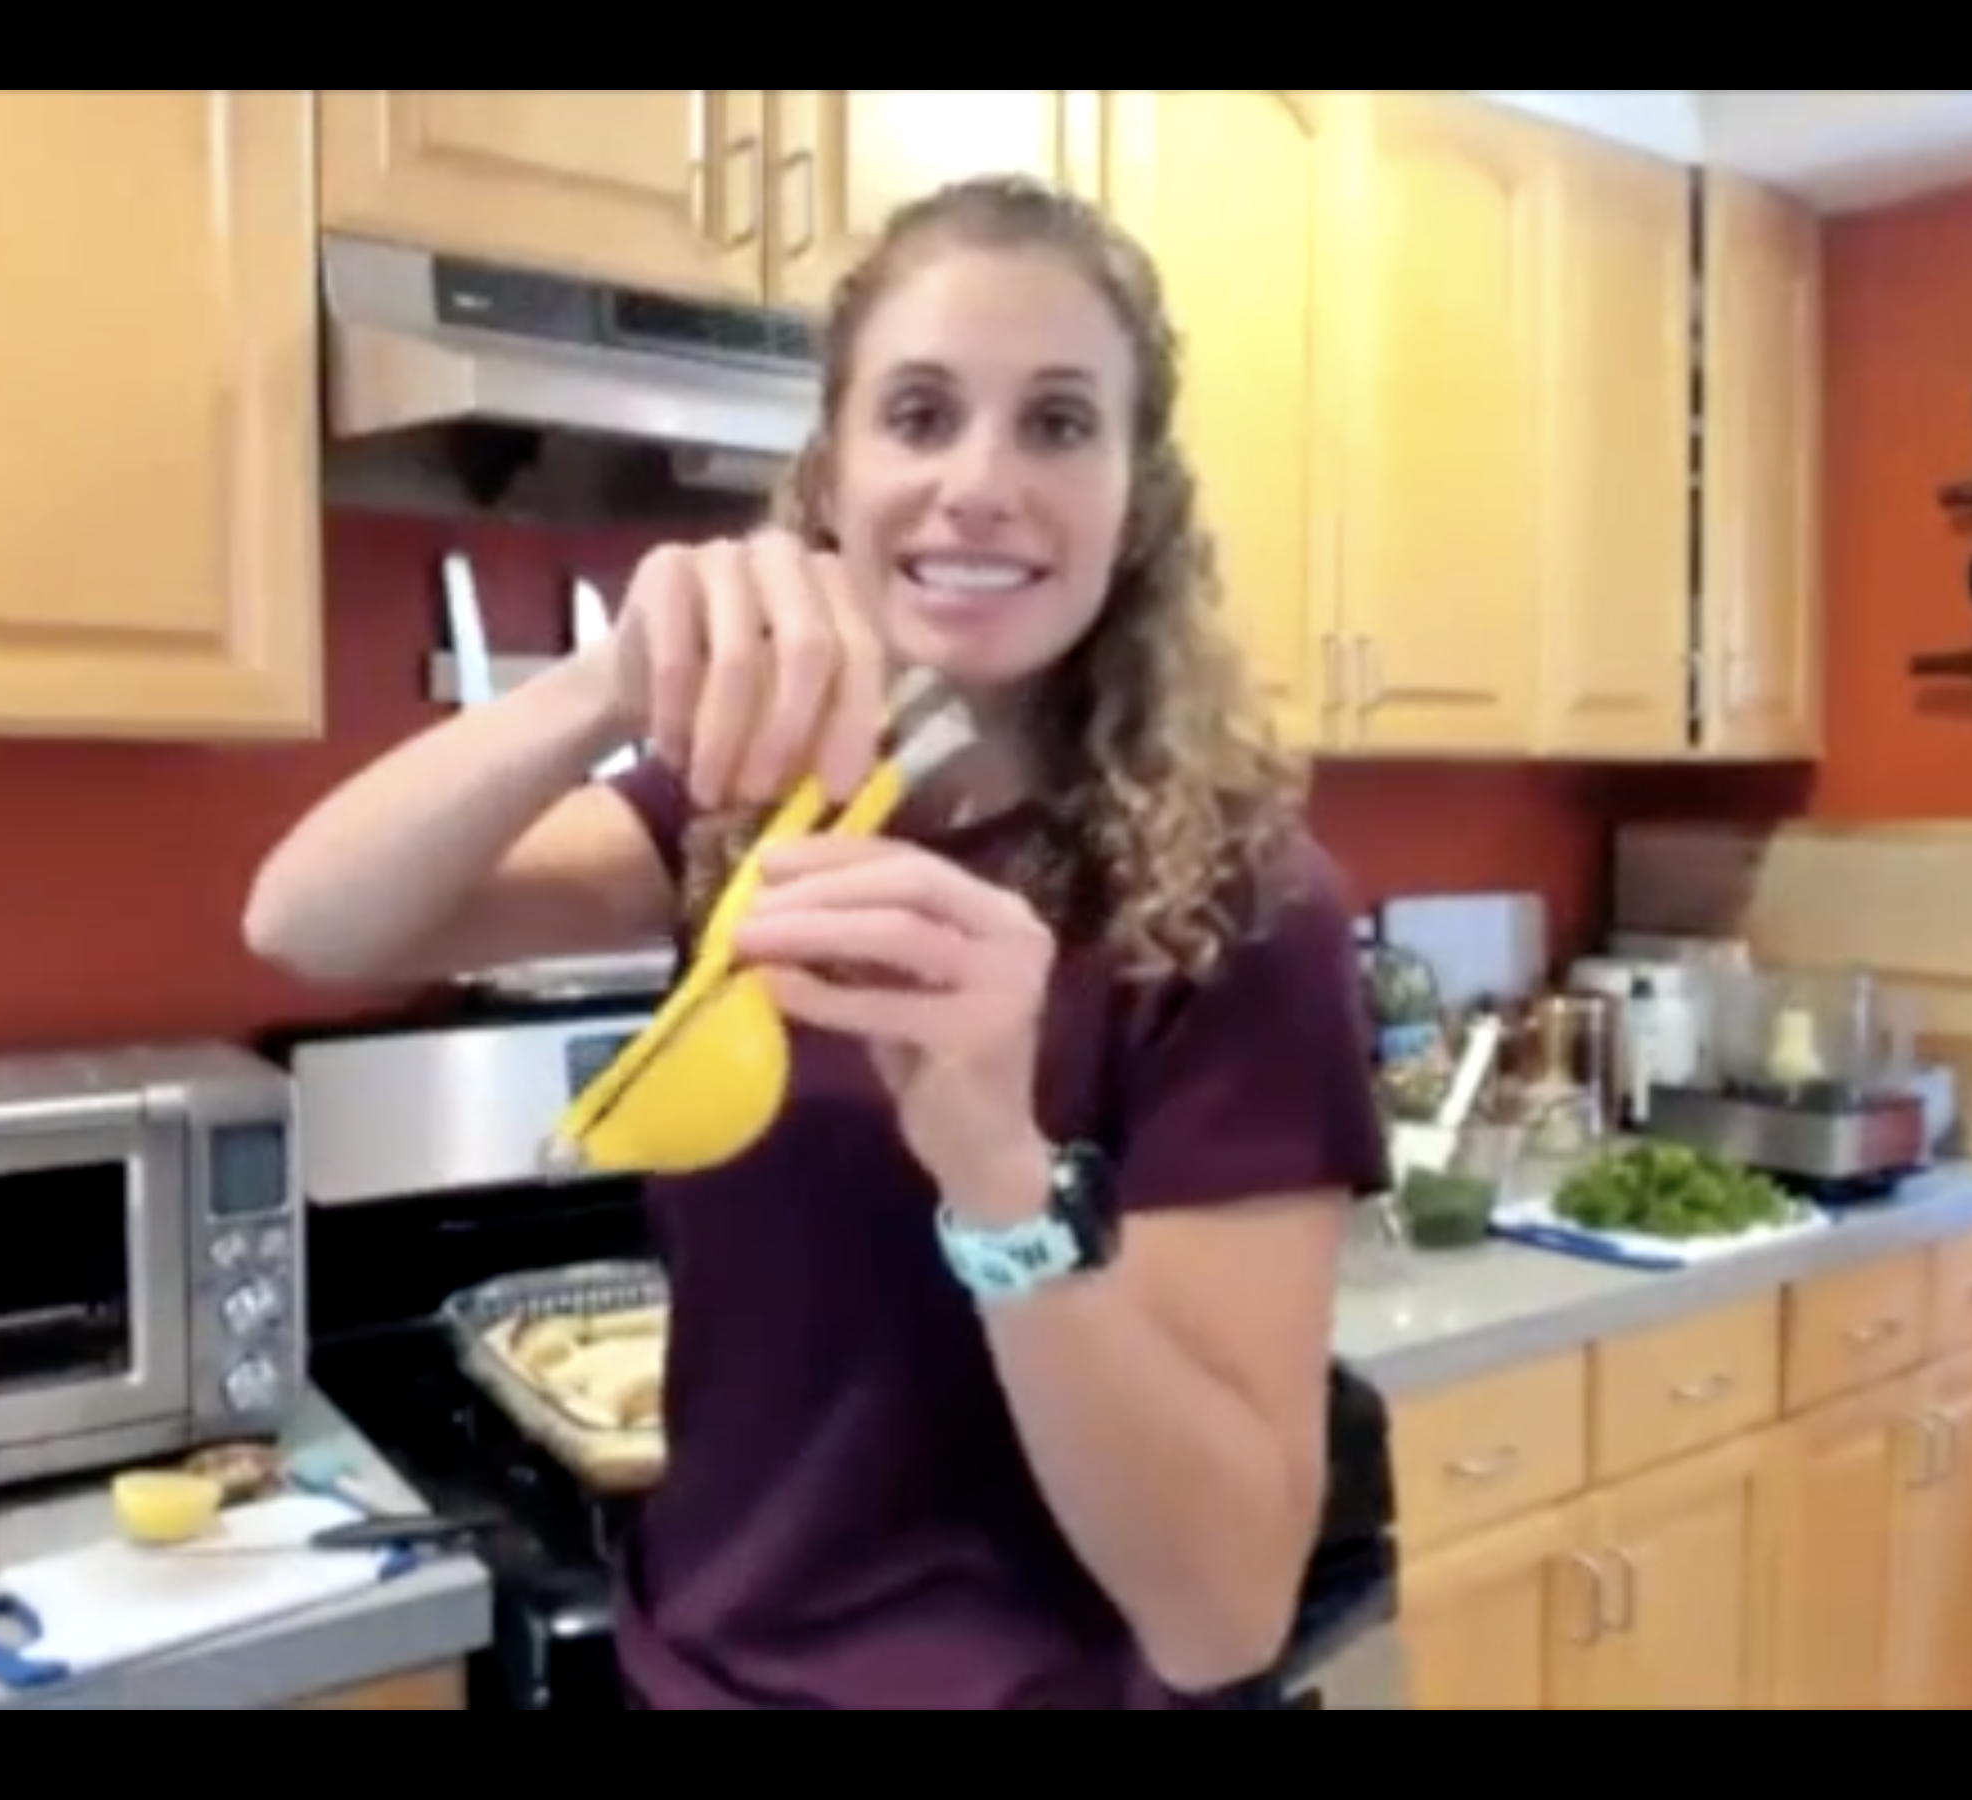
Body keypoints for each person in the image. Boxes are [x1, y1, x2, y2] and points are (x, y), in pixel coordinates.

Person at [245, 175, 1388, 1710]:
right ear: (835, 476)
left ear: (1138, 498)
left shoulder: (1244, 910)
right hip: (699, 1679)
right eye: (920, 414)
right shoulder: (740, 820)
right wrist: (604, 689)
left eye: (1057, 423)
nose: (979, 482)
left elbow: (1220, 1616)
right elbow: (306, 921)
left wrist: (994, 1170)